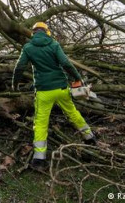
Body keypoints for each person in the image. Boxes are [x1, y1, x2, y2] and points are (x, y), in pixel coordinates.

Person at [13, 22, 96, 171]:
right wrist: (77, 79)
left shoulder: (28, 47)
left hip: (44, 92)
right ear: (47, 32)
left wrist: (15, 85)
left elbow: (19, 67)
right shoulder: (54, 44)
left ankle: (39, 159)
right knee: (72, 112)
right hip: (61, 88)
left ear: (33, 33)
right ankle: (89, 137)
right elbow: (66, 63)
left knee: (40, 122)